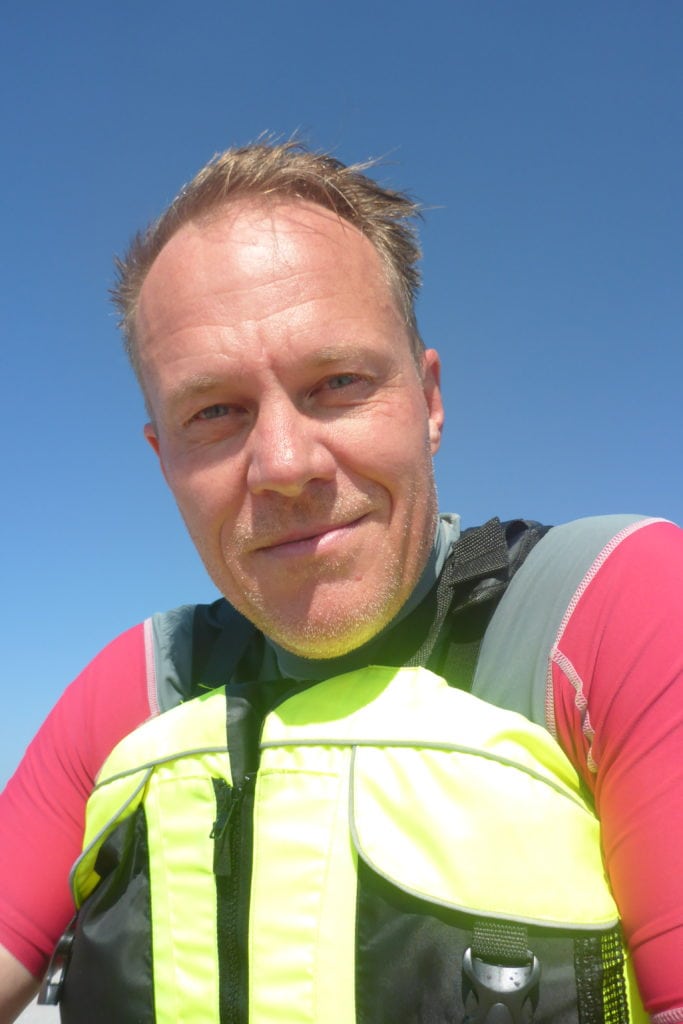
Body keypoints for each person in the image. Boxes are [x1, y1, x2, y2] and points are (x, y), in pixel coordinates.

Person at [0, 140, 682, 1023]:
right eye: (215, 411)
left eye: (338, 382)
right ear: (162, 456)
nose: (285, 465)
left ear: (428, 402)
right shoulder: (137, 690)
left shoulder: (610, 612)